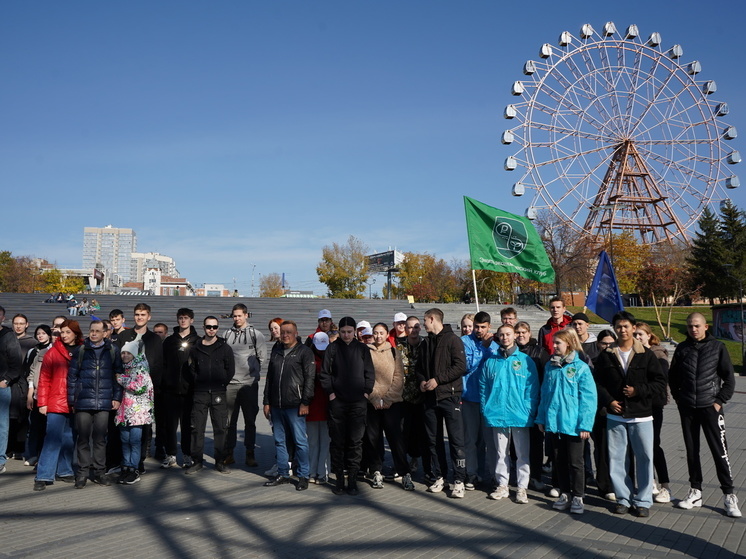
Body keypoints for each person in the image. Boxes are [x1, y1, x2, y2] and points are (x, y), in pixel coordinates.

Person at [594, 311, 665, 518]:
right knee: (617, 459)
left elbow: (659, 383)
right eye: (618, 326)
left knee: (644, 458)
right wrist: (609, 401)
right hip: (615, 415)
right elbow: (596, 382)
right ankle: (623, 498)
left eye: (626, 326)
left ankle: (643, 500)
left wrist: (637, 391)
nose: (622, 330)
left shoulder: (646, 354)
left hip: (641, 415)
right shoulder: (607, 354)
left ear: (633, 328)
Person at [669, 312, 741, 518]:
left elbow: (729, 379)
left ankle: (729, 495)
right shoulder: (682, 348)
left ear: (706, 326)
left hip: (710, 408)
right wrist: (679, 398)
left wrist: (718, 402)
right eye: (690, 326)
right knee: (692, 451)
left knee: (720, 451)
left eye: (697, 326)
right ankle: (695, 491)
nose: (693, 329)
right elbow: (673, 377)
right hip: (688, 408)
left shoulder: (718, 347)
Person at [536, 329, 597, 514]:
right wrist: (541, 418)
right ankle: (565, 493)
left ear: (568, 344)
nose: (553, 347)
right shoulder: (550, 367)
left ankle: (578, 496)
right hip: (554, 424)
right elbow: (544, 394)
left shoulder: (580, 368)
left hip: (574, 426)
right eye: (553, 343)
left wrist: (585, 424)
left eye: (557, 344)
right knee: (559, 460)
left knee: (576, 462)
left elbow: (588, 398)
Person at [480, 324, 539, 504]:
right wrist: (486, 408)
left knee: (522, 454)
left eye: (508, 334)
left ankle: (522, 487)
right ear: (498, 337)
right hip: (497, 413)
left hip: (520, 415)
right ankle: (502, 485)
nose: (505, 337)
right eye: (502, 335)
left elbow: (532, 388)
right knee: (500, 453)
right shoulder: (491, 361)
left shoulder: (525, 361)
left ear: (514, 336)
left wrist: (529, 409)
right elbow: (484, 387)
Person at [319, 316, 375, 496]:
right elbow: (325, 373)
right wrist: (331, 394)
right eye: (343, 332)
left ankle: (352, 480)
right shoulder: (332, 348)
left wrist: (366, 391)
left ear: (355, 332)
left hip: (358, 402)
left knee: (355, 442)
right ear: (339, 331)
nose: (346, 335)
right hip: (338, 403)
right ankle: (339, 481)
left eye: (349, 332)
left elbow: (369, 372)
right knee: (337, 442)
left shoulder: (362, 348)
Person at [416, 308, 468, 498]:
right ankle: (440, 476)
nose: (423, 324)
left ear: (432, 319)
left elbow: (460, 366)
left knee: (456, 441)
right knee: (433, 440)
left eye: (425, 321)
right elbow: (419, 368)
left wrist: (438, 380)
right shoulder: (425, 343)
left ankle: (459, 480)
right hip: (430, 399)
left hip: (450, 397)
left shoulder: (453, 340)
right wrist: (422, 381)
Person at [67, 320, 123, 488]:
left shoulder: (112, 351)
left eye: (98, 331)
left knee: (99, 439)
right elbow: (72, 377)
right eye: (91, 330)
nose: (94, 333)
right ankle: (82, 473)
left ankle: (100, 472)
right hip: (83, 400)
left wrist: (117, 397)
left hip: (104, 401)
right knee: (83, 439)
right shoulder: (81, 350)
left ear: (105, 333)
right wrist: (72, 399)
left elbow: (118, 376)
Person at [263, 320, 315, 491]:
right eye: (283, 332)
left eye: (289, 332)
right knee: (279, 441)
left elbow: (310, 380)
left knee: (300, 442)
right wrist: (266, 402)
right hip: (277, 405)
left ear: (296, 333)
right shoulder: (276, 350)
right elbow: (270, 378)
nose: (285, 335)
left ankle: (303, 475)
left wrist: (305, 402)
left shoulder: (304, 352)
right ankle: (284, 473)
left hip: (295, 405)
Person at [33, 320, 82, 490]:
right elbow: (44, 379)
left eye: (68, 332)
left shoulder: (83, 351)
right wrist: (42, 403)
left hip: (75, 402)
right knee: (52, 439)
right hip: (56, 401)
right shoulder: (52, 353)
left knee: (69, 438)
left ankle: (65, 470)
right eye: (63, 332)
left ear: (76, 333)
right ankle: (43, 475)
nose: (65, 335)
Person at [364, 322, 413, 491]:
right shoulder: (366, 352)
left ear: (387, 334)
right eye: (375, 333)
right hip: (373, 404)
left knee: (395, 439)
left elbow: (399, 378)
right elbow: (366, 377)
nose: (378, 336)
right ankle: (376, 471)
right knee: (373, 439)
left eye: (381, 333)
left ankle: (404, 473)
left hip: (392, 404)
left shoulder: (394, 352)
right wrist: (375, 398)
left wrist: (388, 399)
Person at [116, 303, 164, 469]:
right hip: (125, 392)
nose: (140, 317)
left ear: (148, 317)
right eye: (137, 314)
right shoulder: (124, 336)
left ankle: (139, 461)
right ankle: (125, 463)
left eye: (143, 315)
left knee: (144, 429)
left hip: (145, 394)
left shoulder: (154, 339)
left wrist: (152, 390)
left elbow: (158, 365)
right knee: (124, 431)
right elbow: (117, 362)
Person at [186, 316, 235, 474]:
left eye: (214, 327)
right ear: (203, 327)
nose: (211, 329)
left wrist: (220, 383)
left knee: (221, 428)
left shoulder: (225, 347)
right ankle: (197, 461)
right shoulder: (195, 348)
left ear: (218, 328)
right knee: (196, 428)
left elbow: (230, 370)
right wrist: (198, 382)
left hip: (218, 393)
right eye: (208, 327)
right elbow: (190, 369)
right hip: (200, 393)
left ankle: (220, 461)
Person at [223, 303, 266, 468]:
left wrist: (253, 374)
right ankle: (229, 453)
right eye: (234, 316)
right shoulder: (226, 334)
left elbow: (262, 357)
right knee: (229, 422)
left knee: (250, 421)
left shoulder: (256, 335)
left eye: (239, 315)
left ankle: (250, 453)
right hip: (231, 385)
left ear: (246, 315)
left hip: (249, 385)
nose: (237, 318)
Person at [633, 322, 672, 504]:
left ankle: (665, 485)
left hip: (654, 405)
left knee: (654, 444)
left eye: (641, 334)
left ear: (649, 335)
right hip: (638, 405)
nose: (638, 337)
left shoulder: (657, 353)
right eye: (636, 334)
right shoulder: (633, 353)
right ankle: (650, 481)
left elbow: (661, 379)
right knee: (641, 446)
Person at [461, 311, 498, 490]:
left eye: (483, 327)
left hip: (489, 400)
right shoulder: (465, 342)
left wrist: (488, 347)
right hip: (469, 397)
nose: (479, 330)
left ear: (489, 327)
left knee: (490, 441)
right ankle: (472, 473)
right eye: (476, 326)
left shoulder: (495, 345)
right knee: (471, 440)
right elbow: (466, 366)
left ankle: (493, 475)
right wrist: (482, 348)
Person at [161, 308, 200, 469]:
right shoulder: (170, 341)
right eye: (180, 318)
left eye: (186, 318)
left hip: (189, 390)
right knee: (170, 425)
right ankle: (170, 455)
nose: (183, 320)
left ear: (192, 320)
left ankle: (187, 454)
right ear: (177, 320)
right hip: (170, 389)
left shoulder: (197, 341)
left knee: (187, 425)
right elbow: (163, 364)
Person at [514, 321, 550, 491]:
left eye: (524, 332)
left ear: (529, 333)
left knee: (536, 443)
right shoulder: (510, 352)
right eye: (518, 332)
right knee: (516, 444)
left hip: (534, 404)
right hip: (515, 405)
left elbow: (546, 376)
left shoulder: (539, 352)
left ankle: (535, 476)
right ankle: (518, 476)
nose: (521, 335)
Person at [116, 340, 154, 485]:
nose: (125, 355)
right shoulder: (124, 367)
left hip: (138, 413)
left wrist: (121, 379)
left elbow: (138, 387)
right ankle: (125, 467)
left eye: (128, 353)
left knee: (134, 441)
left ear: (134, 354)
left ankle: (134, 468)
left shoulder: (140, 367)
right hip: (124, 411)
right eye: (123, 353)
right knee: (125, 440)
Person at [590, 329, 617, 502]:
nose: (607, 346)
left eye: (610, 343)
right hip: (598, 411)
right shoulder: (593, 363)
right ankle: (604, 485)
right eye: (604, 343)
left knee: (617, 449)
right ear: (598, 344)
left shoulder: (619, 361)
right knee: (600, 448)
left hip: (617, 411)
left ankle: (617, 483)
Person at [24, 325, 54, 466]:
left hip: (51, 396)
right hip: (36, 394)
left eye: (44, 333)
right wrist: (30, 393)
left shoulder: (56, 352)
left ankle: (43, 457)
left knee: (47, 428)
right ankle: (33, 455)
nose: (41, 336)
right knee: (35, 426)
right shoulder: (38, 352)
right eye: (39, 333)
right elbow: (31, 373)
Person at [0, 305, 23, 475]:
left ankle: (0, 459)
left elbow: (16, 363)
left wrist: (6, 380)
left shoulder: (8, 336)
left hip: (1, 387)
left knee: (1, 425)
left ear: (3, 317)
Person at [307, 332, 331, 484]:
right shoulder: (308, 360)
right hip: (311, 408)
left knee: (325, 442)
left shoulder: (332, 360)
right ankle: (311, 471)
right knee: (313, 442)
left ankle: (322, 473)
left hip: (328, 408)